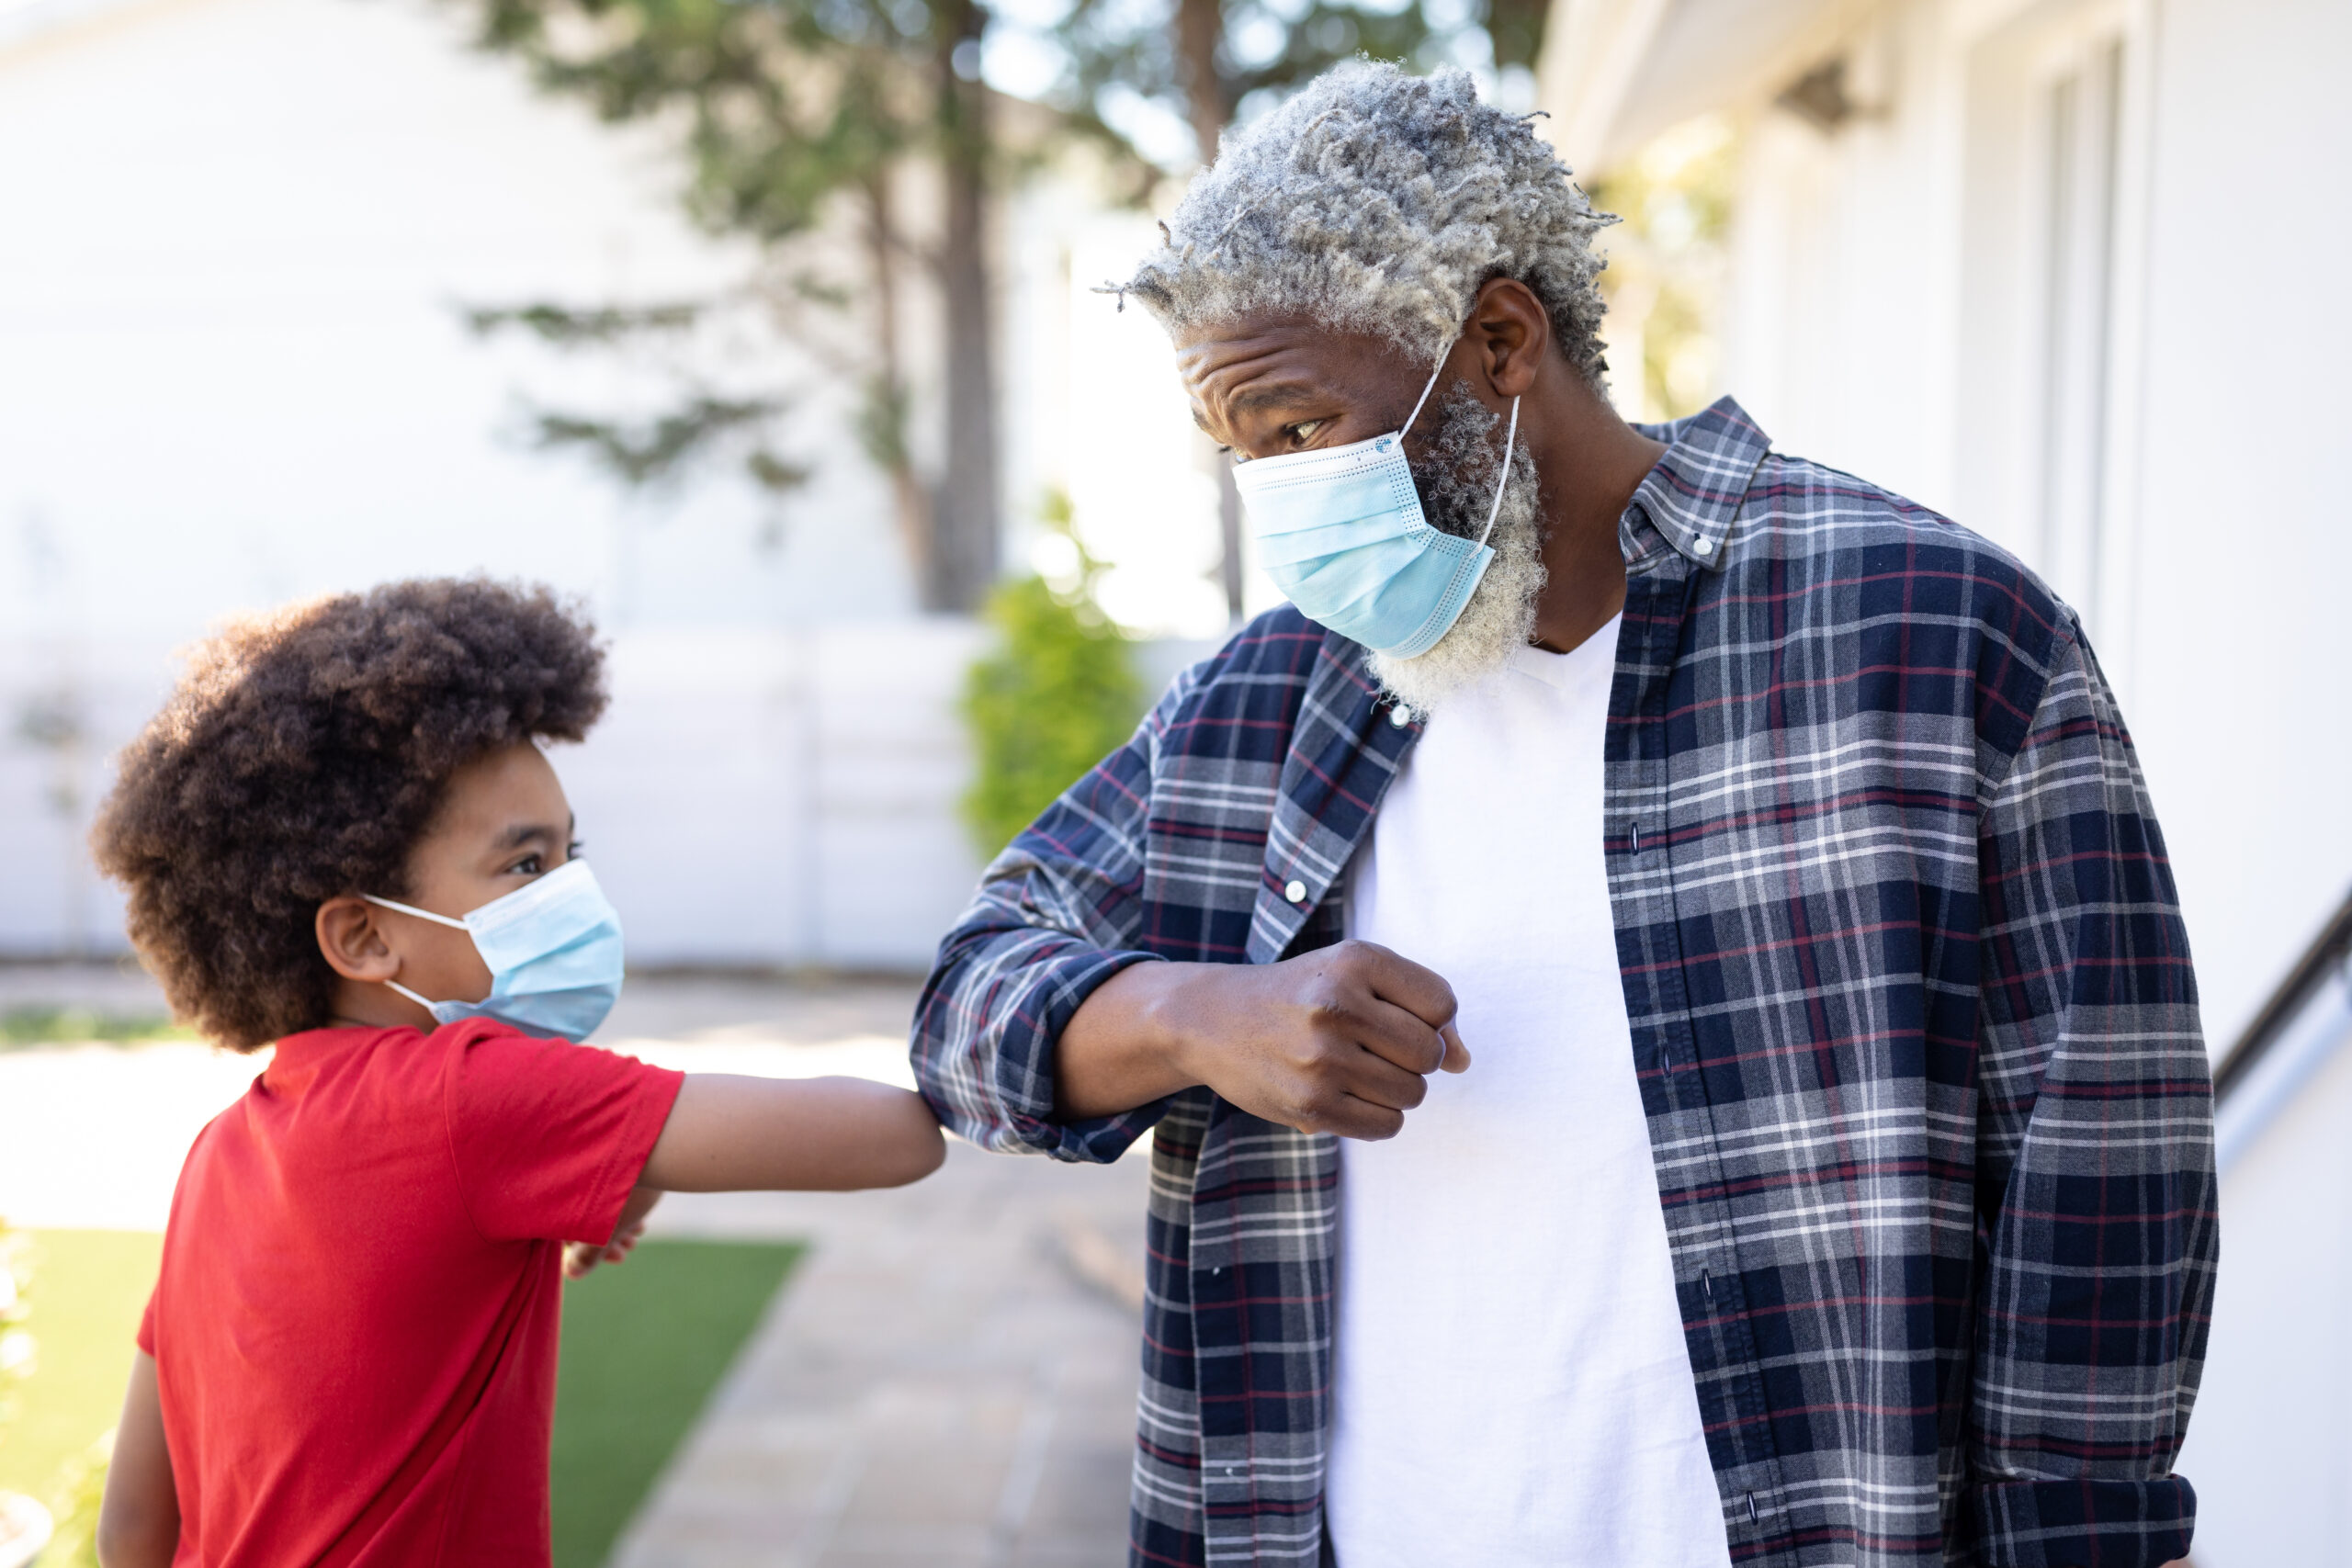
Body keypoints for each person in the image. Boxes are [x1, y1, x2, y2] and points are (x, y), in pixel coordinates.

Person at [910, 62, 2216, 1568]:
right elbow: (967, 1003)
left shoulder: (1930, 634)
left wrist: (2089, 1537)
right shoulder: (1265, 704)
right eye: (1238, 449)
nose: (1272, 495)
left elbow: (2110, 1151)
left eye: (1296, 425)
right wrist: (1197, 1015)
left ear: (1501, 342)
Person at [85, 579, 944, 1568]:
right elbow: (894, 1137)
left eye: (571, 854)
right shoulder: (466, 1096)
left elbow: (136, 1530)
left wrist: (630, 1158)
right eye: (526, 868)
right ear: (363, 935)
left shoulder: (219, 1151)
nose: (573, 893)